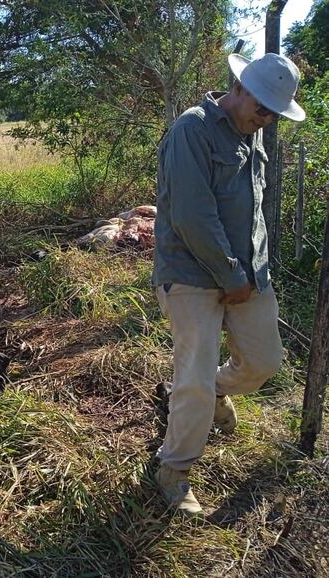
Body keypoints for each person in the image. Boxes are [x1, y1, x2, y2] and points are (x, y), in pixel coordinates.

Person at [152, 53, 305, 516]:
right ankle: (173, 470)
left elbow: (251, 211)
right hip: (192, 274)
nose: (267, 120)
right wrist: (231, 276)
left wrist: (253, 273)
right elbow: (193, 218)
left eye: (274, 115)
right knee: (193, 375)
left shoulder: (251, 134)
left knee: (263, 362)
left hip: (247, 274)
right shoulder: (192, 131)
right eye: (263, 110)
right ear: (238, 88)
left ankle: (209, 393)